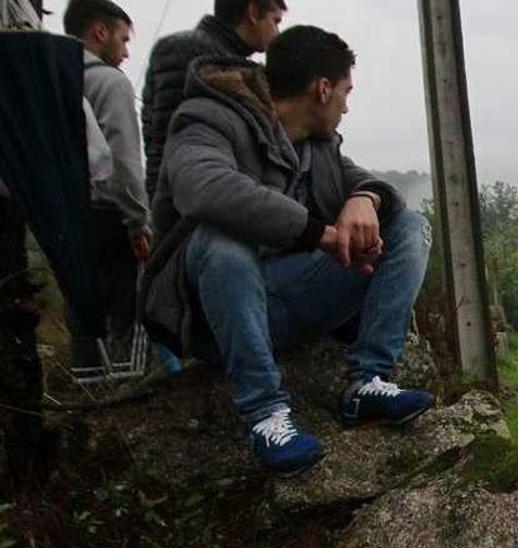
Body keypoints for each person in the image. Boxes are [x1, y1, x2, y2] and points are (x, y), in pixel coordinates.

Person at [146, 26, 431, 474]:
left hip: (288, 300)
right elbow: (202, 188)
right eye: (345, 91)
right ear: (322, 89)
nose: (347, 104)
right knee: (223, 241)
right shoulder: (206, 117)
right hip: (217, 311)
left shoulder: (321, 146)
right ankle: (267, 417)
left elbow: (372, 186)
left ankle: (367, 381)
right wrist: (317, 232)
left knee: (410, 226)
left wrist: (364, 198)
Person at [63, 0, 151, 369]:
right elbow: (124, 160)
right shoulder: (110, 82)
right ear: (100, 32)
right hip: (108, 215)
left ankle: (85, 385)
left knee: (82, 309)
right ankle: (121, 388)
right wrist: (138, 221)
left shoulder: (55, 79)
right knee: (121, 313)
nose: (126, 51)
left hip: (64, 213)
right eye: (123, 39)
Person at [141, 0, 286, 200]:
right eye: (275, 21)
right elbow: (166, 134)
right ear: (253, 12)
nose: (276, 32)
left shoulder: (234, 63)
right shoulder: (191, 52)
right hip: (188, 202)